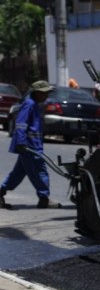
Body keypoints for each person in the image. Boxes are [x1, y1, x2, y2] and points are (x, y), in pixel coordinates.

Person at [0, 80, 61, 210]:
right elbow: (21, 124)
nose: (47, 96)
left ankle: (1, 192)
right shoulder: (29, 104)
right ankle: (44, 199)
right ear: (37, 93)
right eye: (45, 93)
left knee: (18, 173)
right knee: (40, 171)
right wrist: (21, 142)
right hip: (29, 146)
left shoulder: (34, 105)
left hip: (31, 146)